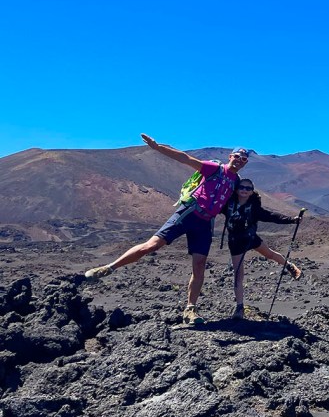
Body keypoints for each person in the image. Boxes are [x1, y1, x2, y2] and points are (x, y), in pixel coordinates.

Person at [84, 133, 249, 325]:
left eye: (244, 159)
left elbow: (240, 202)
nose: (239, 160)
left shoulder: (237, 182)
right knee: (151, 246)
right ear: (230, 156)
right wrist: (157, 148)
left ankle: (190, 309)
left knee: (199, 265)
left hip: (205, 223)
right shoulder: (215, 169)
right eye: (237, 156)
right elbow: (185, 158)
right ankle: (109, 268)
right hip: (188, 213)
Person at [221, 180, 304, 320]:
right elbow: (211, 208)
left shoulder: (254, 207)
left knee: (269, 254)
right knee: (238, 274)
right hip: (235, 242)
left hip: (250, 238)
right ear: (236, 189)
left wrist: (291, 220)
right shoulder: (227, 204)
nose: (244, 190)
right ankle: (240, 307)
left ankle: (289, 266)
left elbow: (271, 216)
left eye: (248, 188)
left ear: (252, 191)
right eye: (241, 187)